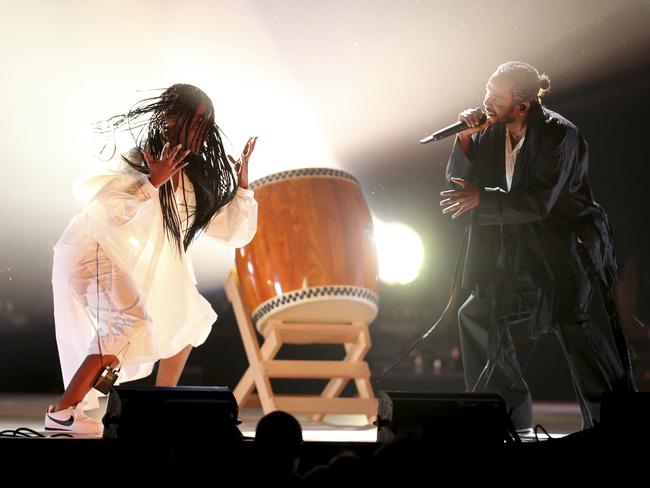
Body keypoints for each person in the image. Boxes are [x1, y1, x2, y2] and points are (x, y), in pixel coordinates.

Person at [45, 84, 258, 433]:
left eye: (207, 121)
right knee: (128, 323)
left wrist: (243, 188)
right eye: (196, 119)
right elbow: (107, 210)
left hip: (123, 262)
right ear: (170, 117)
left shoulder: (190, 178)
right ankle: (63, 412)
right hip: (92, 251)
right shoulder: (139, 158)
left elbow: (234, 232)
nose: (202, 128)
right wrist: (151, 181)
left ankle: (162, 406)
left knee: (189, 318)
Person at [439, 61, 636, 431]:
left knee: (573, 325)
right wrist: (463, 140)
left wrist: (483, 199)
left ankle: (613, 423)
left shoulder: (559, 136)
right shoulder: (491, 131)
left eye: (497, 97)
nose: (486, 102)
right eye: (487, 92)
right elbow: (459, 185)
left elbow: (538, 203)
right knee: (479, 313)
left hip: (566, 249)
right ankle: (509, 417)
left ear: (523, 106)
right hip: (519, 252)